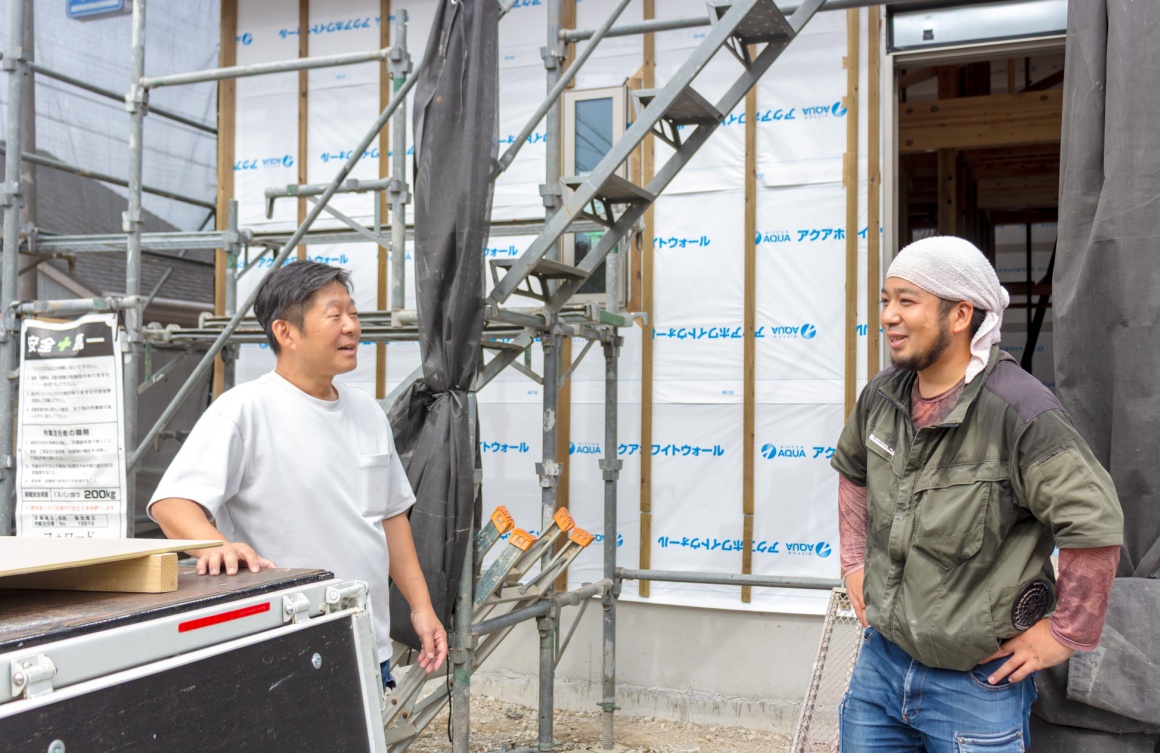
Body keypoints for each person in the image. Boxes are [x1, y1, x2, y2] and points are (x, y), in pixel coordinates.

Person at [832, 236, 1123, 752]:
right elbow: (853, 470)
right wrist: (854, 560)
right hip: (881, 665)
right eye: (885, 299)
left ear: (960, 314)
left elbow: (1093, 522)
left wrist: (1066, 634)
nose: (889, 317)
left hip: (975, 687)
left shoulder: (1021, 410)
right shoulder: (882, 395)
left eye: (907, 300)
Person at [149, 260, 446, 688]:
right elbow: (172, 504)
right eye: (334, 314)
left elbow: (389, 518)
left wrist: (420, 606)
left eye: (353, 313)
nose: (351, 327)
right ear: (285, 332)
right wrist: (218, 547)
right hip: (280, 649)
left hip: (364, 639)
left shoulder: (367, 411)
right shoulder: (245, 411)